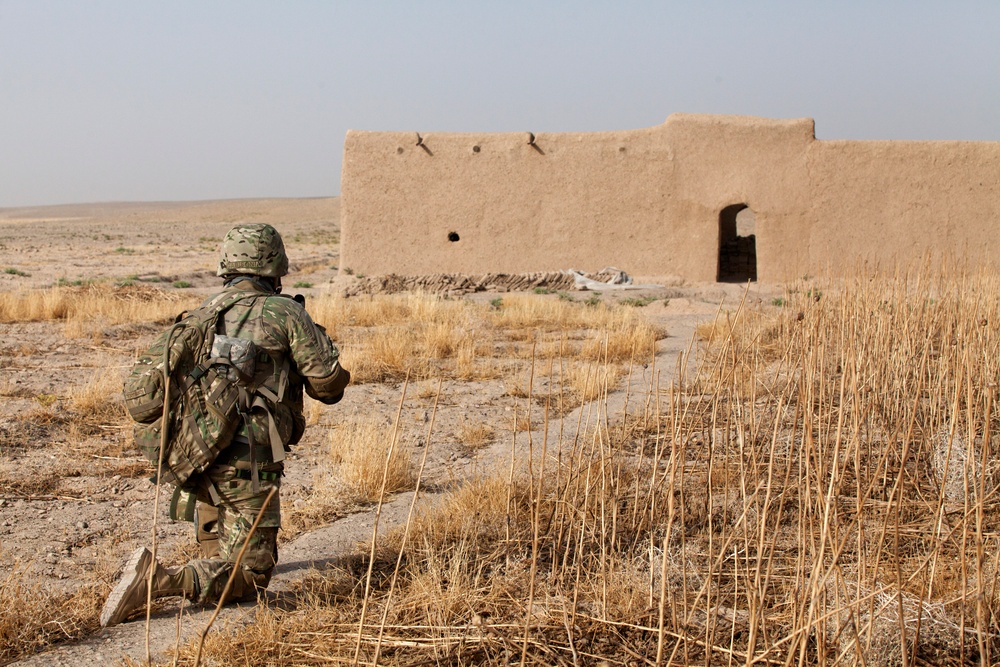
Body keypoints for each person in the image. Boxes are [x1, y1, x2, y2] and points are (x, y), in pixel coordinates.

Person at [101, 223, 349, 627]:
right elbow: (327, 386)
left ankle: (208, 580)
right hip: (247, 459)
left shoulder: (201, 312)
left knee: (218, 555)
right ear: (275, 267)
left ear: (227, 266)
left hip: (194, 453)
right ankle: (157, 580)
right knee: (250, 575)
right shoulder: (285, 312)